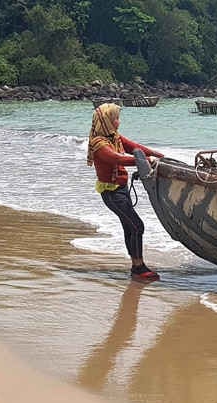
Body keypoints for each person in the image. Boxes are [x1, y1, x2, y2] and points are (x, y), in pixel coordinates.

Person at [87, 103, 164, 282]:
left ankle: (136, 265)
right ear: (106, 121)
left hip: (121, 190)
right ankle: (138, 267)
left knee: (129, 226)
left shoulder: (114, 137)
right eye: (115, 118)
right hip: (112, 193)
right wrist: (143, 161)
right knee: (137, 226)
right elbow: (116, 158)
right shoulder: (99, 143)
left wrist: (158, 155)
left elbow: (135, 147)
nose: (118, 122)